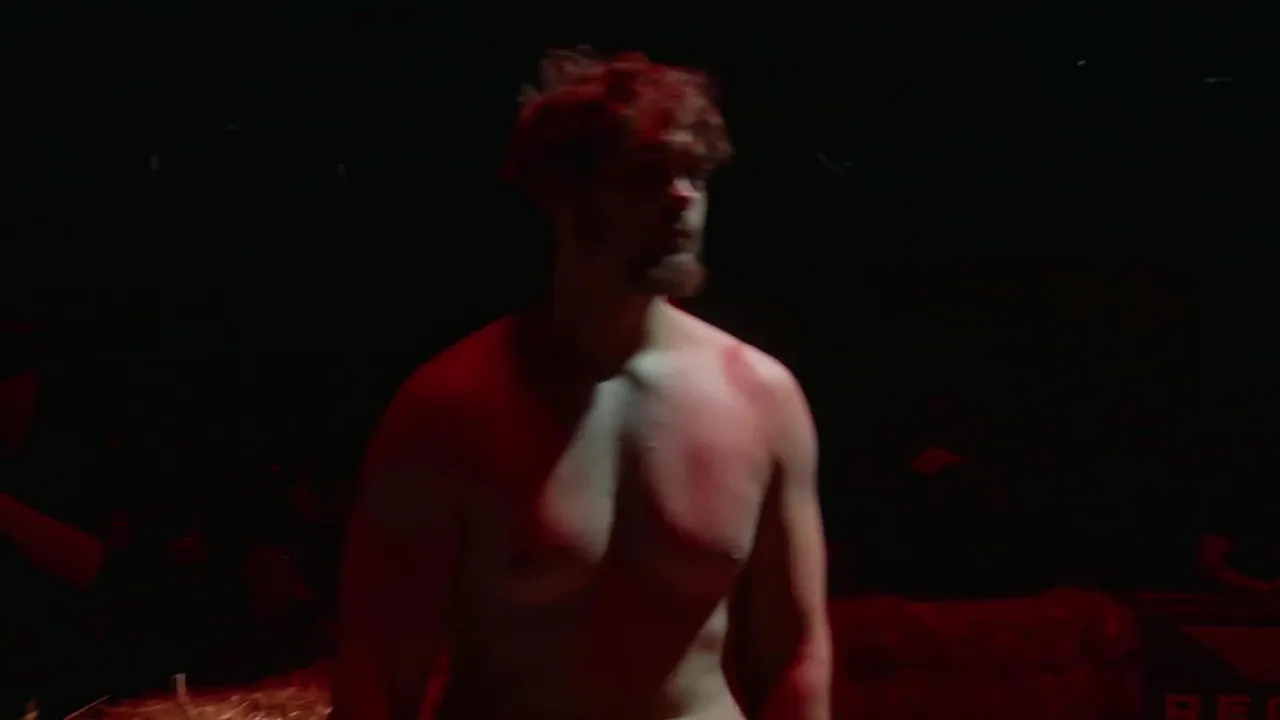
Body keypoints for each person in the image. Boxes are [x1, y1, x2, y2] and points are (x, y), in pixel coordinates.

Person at [333, 49, 831, 720]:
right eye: (647, 174)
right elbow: (376, 670)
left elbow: (796, 654)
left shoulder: (760, 398)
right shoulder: (450, 411)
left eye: (695, 174)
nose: (683, 198)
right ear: (561, 194)